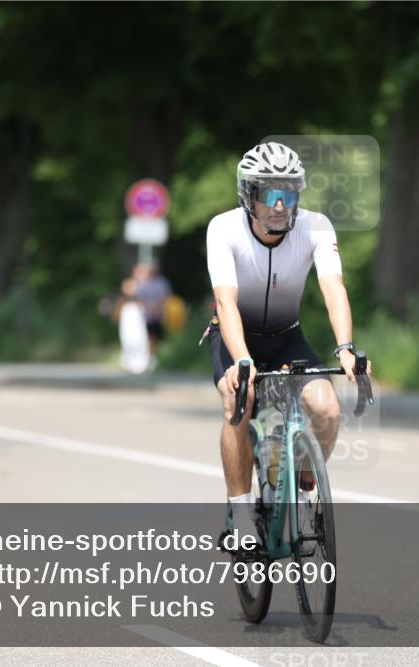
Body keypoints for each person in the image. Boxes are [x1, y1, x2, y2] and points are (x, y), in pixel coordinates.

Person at [204, 141, 371, 545]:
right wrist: (241, 360)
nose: (281, 205)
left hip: (286, 338)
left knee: (327, 410)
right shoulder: (223, 228)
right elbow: (226, 301)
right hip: (235, 337)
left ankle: (299, 486)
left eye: (290, 193)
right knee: (237, 406)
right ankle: (242, 514)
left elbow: (333, 289)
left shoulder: (316, 226)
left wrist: (345, 347)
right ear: (249, 195)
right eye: (270, 194)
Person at [133, 262, 172, 370]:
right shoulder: (145, 283)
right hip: (148, 315)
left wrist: (157, 307)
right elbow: (140, 298)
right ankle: (150, 358)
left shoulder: (162, 283)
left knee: (157, 338)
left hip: (159, 315)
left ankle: (154, 358)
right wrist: (149, 308)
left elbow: (166, 297)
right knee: (150, 337)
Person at [114, 278, 150, 374]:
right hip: (127, 329)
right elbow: (116, 316)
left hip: (138, 329)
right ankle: (129, 364)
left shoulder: (140, 301)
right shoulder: (122, 302)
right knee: (128, 343)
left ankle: (140, 365)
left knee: (140, 343)